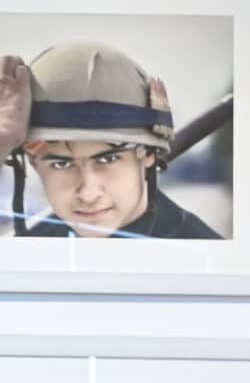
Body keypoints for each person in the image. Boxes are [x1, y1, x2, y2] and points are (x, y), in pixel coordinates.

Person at [1, 44, 221, 239]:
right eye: (61, 164)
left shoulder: (206, 257)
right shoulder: (34, 248)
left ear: (149, 154)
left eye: (108, 159)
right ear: (32, 162)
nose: (88, 194)